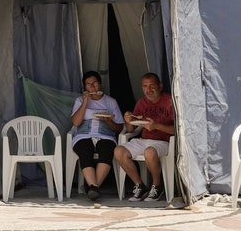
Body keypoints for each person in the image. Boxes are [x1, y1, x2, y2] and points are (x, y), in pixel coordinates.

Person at [114, 72, 175, 202]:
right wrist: (129, 119)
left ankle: (157, 186)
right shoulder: (142, 103)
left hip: (163, 141)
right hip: (144, 140)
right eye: (145, 86)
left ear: (160, 86)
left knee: (150, 152)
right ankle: (140, 185)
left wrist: (157, 126)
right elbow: (131, 129)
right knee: (119, 151)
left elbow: (177, 130)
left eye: (152, 86)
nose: (149, 90)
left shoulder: (169, 101)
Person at [68, 71, 124, 201]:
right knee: (84, 149)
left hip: (106, 136)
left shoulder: (110, 102)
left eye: (95, 83)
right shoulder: (80, 100)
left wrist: (109, 121)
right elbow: (76, 122)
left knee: (107, 149)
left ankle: (92, 187)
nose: (93, 87)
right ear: (85, 88)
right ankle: (94, 187)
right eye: (89, 85)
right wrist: (85, 102)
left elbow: (119, 127)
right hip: (83, 135)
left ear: (101, 84)